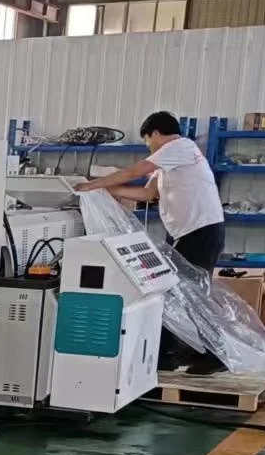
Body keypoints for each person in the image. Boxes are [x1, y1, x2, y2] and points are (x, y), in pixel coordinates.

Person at [75, 111, 227, 374]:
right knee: (172, 291)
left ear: (155, 133)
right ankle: (174, 352)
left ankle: (214, 355)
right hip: (186, 232)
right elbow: (146, 193)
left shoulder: (180, 147)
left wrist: (94, 183)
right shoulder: (169, 161)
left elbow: (136, 171)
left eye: (147, 140)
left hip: (200, 231)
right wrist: (103, 191)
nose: (148, 146)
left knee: (191, 293)